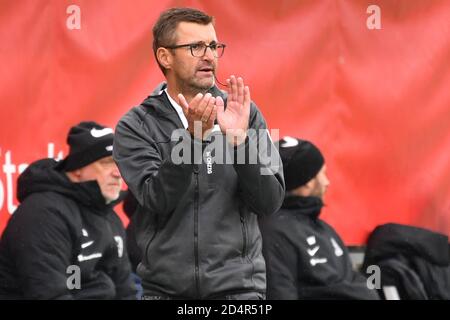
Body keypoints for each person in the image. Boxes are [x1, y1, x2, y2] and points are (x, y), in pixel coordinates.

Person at [113, 7, 285, 299]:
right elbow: (158, 199)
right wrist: (192, 140)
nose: (209, 55)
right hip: (164, 292)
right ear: (165, 57)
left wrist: (239, 141)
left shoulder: (243, 113)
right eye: (196, 47)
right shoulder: (136, 125)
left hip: (239, 293)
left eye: (214, 46)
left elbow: (270, 201)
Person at [0, 121, 136, 299]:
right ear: (77, 168)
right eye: (106, 163)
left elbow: (125, 291)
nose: (118, 173)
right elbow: (50, 294)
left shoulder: (108, 216)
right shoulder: (44, 214)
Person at [259, 137, 380, 299]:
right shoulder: (271, 233)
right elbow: (280, 292)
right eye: (322, 173)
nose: (327, 182)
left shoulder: (323, 228)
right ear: (307, 182)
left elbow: (352, 278)